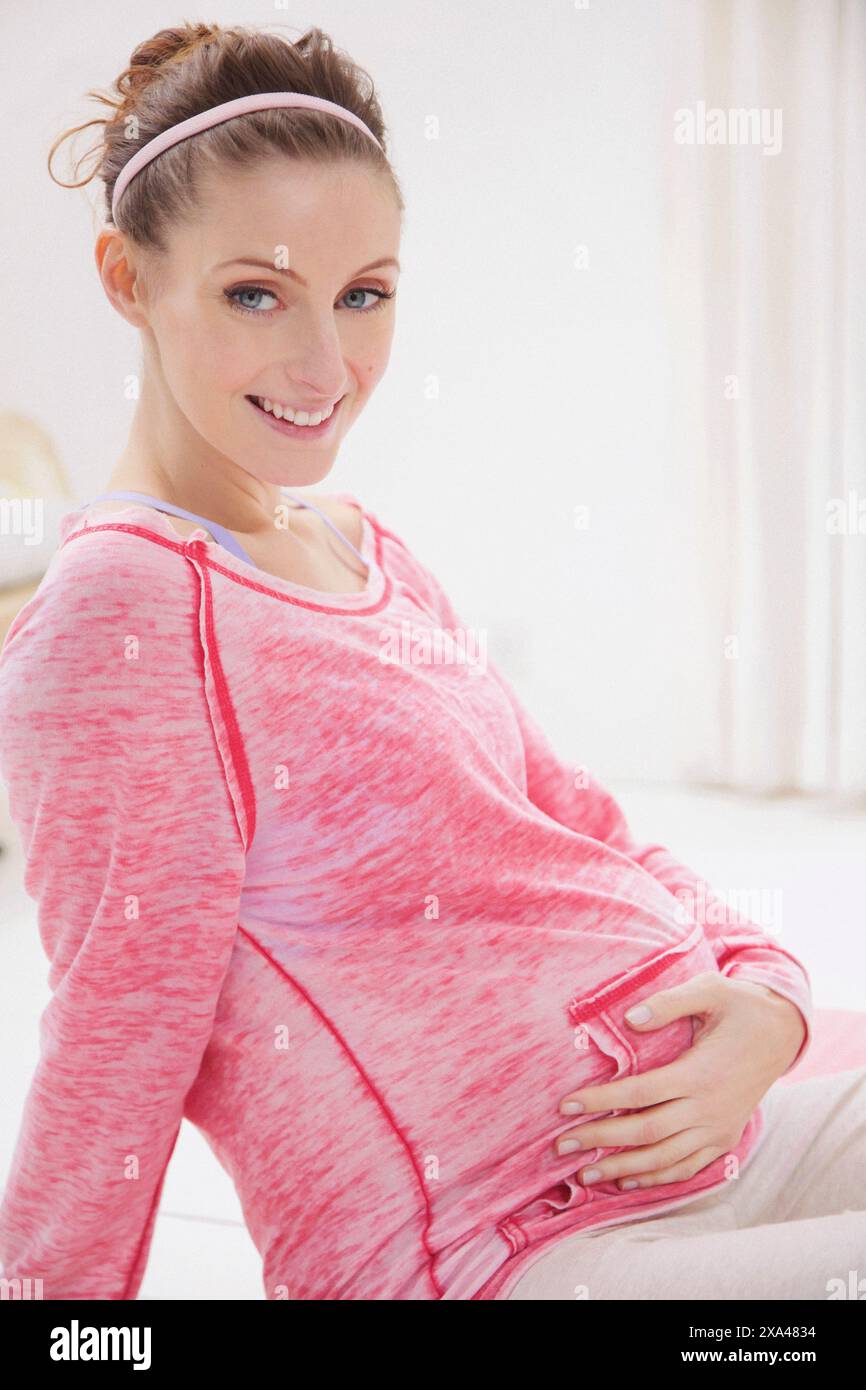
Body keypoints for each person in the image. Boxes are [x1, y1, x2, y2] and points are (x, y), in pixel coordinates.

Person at [0, 21, 861, 1303]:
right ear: (127, 279)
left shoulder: (363, 549)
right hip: (506, 1251)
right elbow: (116, 1044)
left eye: (363, 295)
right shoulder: (124, 610)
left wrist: (768, 997)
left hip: (722, 1140)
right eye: (254, 294)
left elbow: (587, 823)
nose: (322, 366)